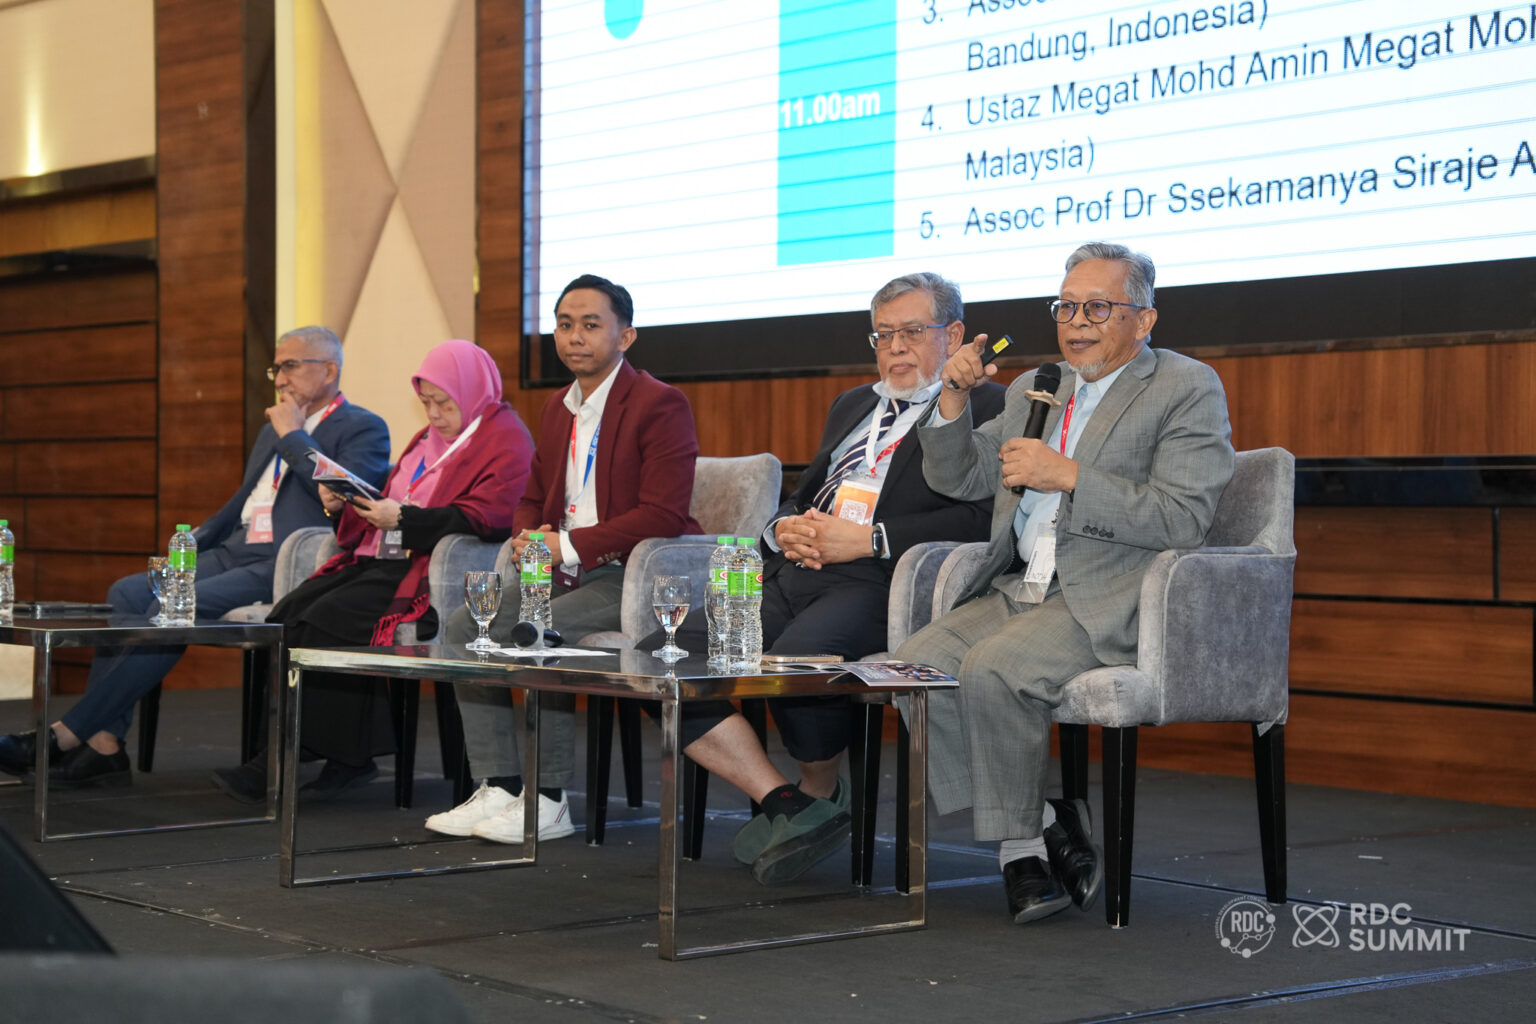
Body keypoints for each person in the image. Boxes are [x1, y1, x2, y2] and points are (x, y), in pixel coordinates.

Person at [893, 242, 1235, 924]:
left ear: (1143, 321)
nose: (1076, 322)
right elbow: (962, 476)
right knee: (911, 670)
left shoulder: (1184, 387)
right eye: (1067, 306)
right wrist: (953, 399)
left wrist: (1070, 476)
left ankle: (1020, 852)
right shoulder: (1039, 384)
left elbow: (1184, 517)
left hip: (1106, 589)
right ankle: (1050, 819)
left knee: (995, 669)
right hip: (1020, 583)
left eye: (1097, 308)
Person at [633, 272, 1007, 885]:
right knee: (661, 658)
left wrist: (871, 538)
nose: (896, 347)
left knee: (793, 661)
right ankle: (787, 801)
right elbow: (804, 493)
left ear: (955, 334)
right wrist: (781, 529)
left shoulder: (989, 405)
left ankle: (821, 785)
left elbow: (982, 519)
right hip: (794, 569)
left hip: (881, 579)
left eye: (913, 331)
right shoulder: (854, 404)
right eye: (883, 334)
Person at [0, 327, 389, 787]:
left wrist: (293, 436)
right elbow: (243, 502)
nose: (280, 379)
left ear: (329, 370)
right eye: (276, 369)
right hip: (234, 550)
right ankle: (105, 743)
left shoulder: (362, 427)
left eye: (290, 366)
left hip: (288, 560)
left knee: (172, 606)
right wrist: (194, 543)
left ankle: (66, 734)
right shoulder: (271, 430)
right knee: (127, 591)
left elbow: (348, 499)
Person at [423, 274, 701, 842]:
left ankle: (548, 800)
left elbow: (663, 514)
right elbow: (533, 495)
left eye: (591, 325)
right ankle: (501, 785)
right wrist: (527, 536)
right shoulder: (557, 408)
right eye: (565, 324)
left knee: (536, 630)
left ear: (626, 336)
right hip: (564, 570)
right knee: (464, 625)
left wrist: (567, 546)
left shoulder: (659, 403)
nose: (575, 337)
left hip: (631, 574)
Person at [210, 339, 534, 802]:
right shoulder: (426, 440)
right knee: (290, 613)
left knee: (328, 619)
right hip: (385, 557)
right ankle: (345, 755)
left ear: (473, 391)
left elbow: (490, 517)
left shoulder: (504, 438)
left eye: (444, 403)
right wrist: (344, 503)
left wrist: (403, 519)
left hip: (430, 571)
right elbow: (391, 497)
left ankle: (287, 756)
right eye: (426, 402)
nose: (434, 414)